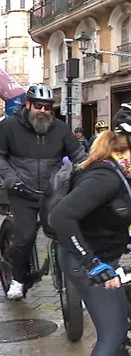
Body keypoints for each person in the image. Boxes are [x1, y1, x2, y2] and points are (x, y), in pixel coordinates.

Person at [50, 101, 131, 356]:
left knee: (123, 318)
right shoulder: (105, 176)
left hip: (105, 255)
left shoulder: (122, 172)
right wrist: (92, 263)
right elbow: (61, 217)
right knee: (112, 337)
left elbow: (111, 214)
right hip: (84, 260)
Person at [0, 83, 87, 300]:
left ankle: (76, 282)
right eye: (38, 105)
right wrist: (11, 178)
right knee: (25, 237)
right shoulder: (9, 127)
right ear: (28, 104)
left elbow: (79, 156)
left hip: (53, 193)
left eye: (47, 107)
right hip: (22, 192)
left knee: (67, 230)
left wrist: (91, 170)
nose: (43, 111)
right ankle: (18, 279)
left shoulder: (61, 129)